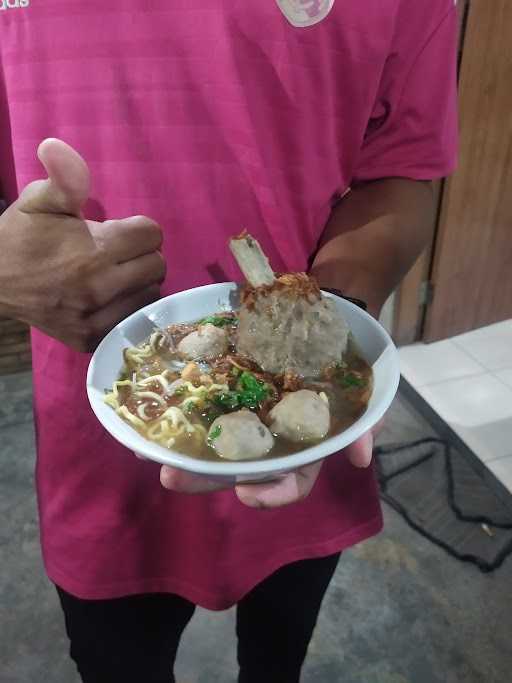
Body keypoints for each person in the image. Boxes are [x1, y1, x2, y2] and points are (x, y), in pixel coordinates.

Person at [0, 1, 458, 681]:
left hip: (311, 440)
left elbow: (402, 166)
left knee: (278, 659)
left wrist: (324, 326)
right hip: (100, 446)